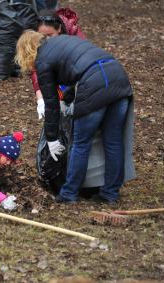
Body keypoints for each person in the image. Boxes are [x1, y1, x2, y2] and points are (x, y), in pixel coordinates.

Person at [16, 30, 134, 204]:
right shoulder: (64, 41)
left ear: (26, 51)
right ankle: (110, 193)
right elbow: (81, 70)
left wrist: (52, 138)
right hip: (118, 78)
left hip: (95, 85)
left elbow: (51, 104)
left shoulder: (42, 61)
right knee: (113, 141)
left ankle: (69, 193)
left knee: (80, 143)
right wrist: (67, 99)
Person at [32, 8, 86, 119]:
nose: (46, 40)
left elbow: (84, 64)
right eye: (42, 37)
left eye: (50, 35)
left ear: (59, 29)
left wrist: (76, 96)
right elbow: (36, 69)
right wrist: (40, 98)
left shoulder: (74, 34)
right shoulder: (36, 40)